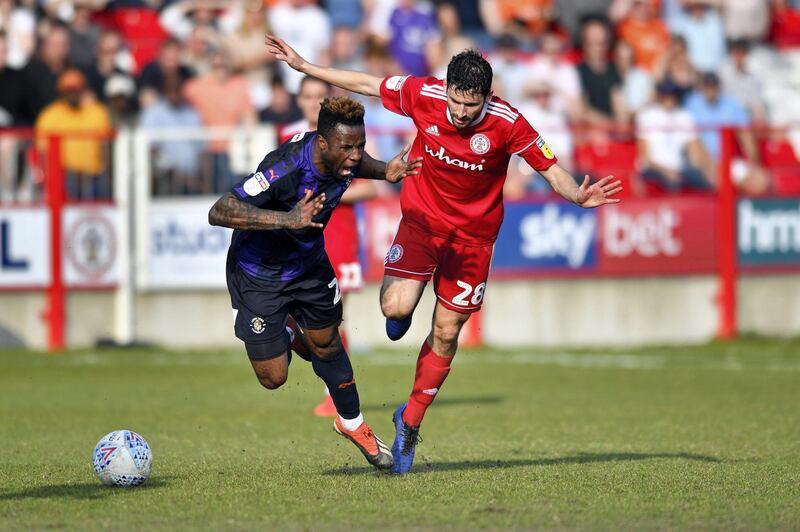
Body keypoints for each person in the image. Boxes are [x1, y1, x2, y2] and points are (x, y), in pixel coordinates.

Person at [266, 35, 623, 474]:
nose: (460, 112)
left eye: (470, 106)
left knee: (448, 332)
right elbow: (367, 83)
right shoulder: (424, 94)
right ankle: (400, 313)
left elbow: (549, 168)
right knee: (394, 308)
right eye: (456, 101)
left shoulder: (509, 123)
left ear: (487, 99)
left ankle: (410, 419)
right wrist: (306, 65)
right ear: (447, 88)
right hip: (421, 225)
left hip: (473, 243)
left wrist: (577, 196)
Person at [208, 96, 422, 471]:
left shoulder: (343, 158)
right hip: (260, 273)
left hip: (308, 267)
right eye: (348, 148)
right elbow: (220, 210)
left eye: (361, 145)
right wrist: (287, 220)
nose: (356, 156)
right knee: (274, 377)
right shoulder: (285, 168)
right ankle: (287, 328)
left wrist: (384, 169)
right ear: (323, 144)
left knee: (327, 344)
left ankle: (352, 424)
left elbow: (357, 165)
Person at [280, 76, 378, 417]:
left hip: (339, 234)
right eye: (307, 96)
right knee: (295, 312)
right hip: (298, 238)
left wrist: (329, 196)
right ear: (299, 100)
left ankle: (335, 394)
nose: (312, 102)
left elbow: (371, 188)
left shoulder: (348, 139)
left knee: (333, 317)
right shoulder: (287, 138)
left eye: (319, 96)